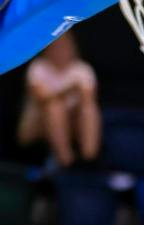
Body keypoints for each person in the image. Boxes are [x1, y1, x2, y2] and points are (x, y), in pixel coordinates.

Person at [16, 33, 100, 168]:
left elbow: (88, 98)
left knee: (88, 108)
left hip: (73, 122)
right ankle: (66, 161)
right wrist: (69, 89)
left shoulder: (82, 69)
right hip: (38, 124)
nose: (61, 51)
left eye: (64, 47)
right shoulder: (38, 68)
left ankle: (89, 157)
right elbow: (43, 97)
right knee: (55, 108)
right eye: (56, 47)